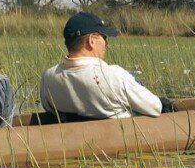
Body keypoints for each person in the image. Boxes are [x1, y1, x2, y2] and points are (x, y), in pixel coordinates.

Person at [39, 11, 174, 120]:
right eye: (104, 37)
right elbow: (155, 107)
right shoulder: (114, 74)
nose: (106, 43)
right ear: (91, 40)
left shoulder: (48, 76)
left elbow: (50, 111)